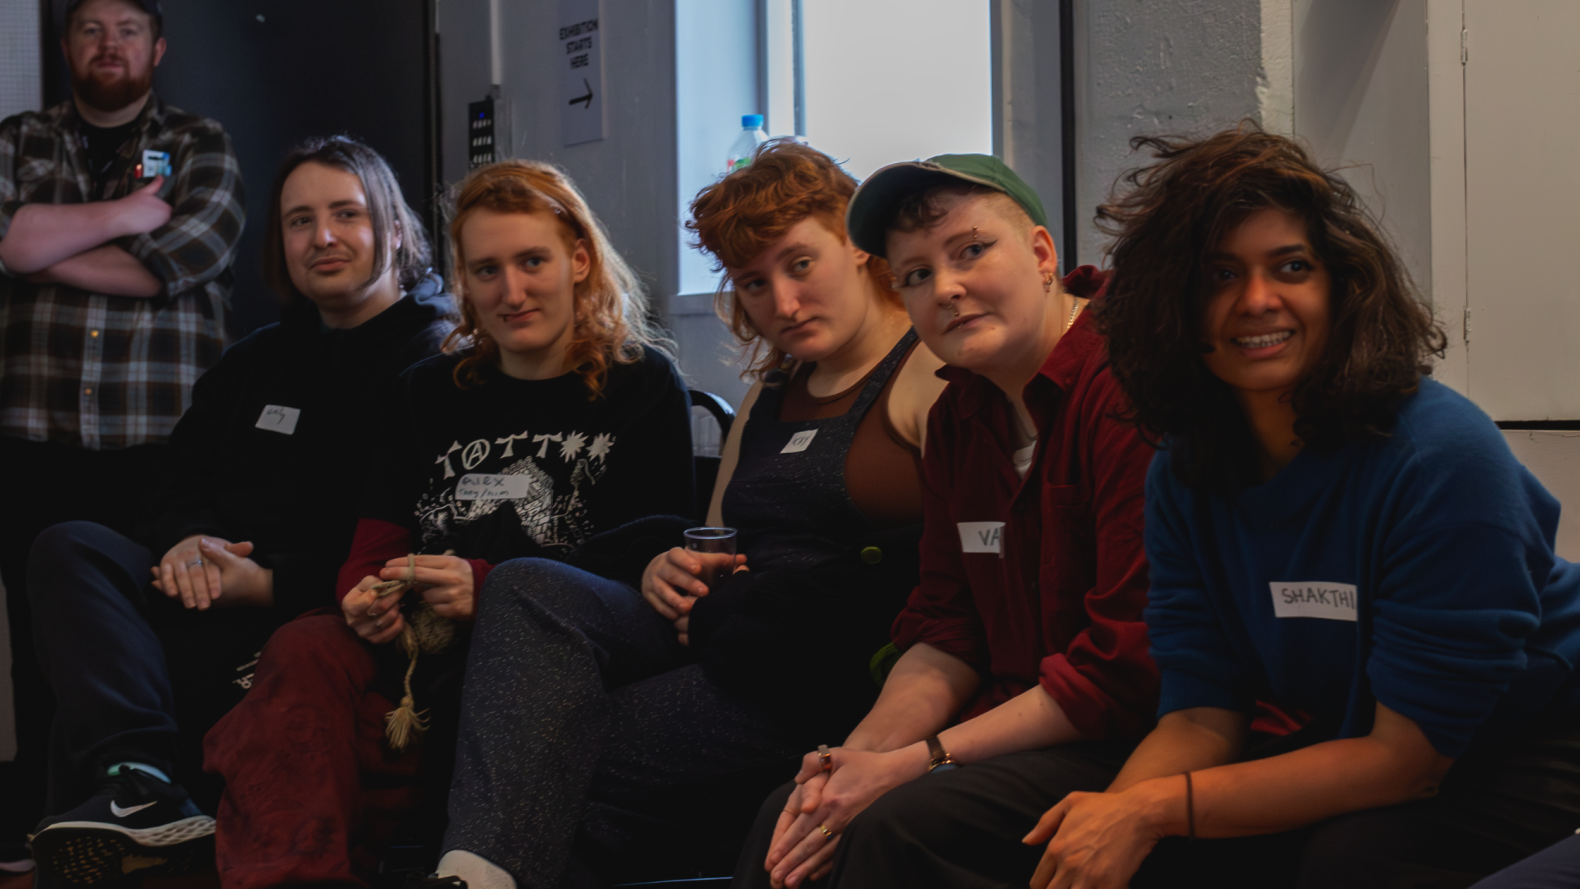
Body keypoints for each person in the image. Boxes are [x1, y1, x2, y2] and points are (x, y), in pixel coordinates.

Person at [1022, 128, 1580, 889]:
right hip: (1382, 739)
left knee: (1348, 859)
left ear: (1342, 287)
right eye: (1220, 274)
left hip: (1544, 733)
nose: (1257, 300)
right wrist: (1111, 822)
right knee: (1152, 848)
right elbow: (1200, 714)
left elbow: (1404, 762)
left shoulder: (1442, 456)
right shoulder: (1186, 469)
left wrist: (1149, 811)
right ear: (1172, 306)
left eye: (1291, 267)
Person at [422, 138, 949, 889]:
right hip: (728, 633)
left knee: (555, 751)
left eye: (801, 264)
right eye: (754, 283)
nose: (783, 303)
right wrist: (665, 565)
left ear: (857, 246)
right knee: (525, 584)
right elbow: (715, 538)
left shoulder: (929, 370)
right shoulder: (770, 393)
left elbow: (959, 581)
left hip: (818, 668)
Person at [203, 159, 696, 889]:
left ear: (579, 260)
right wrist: (364, 595)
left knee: (400, 717)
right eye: (487, 270)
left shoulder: (642, 382)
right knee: (302, 645)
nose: (511, 292)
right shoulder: (426, 390)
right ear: (462, 279)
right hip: (417, 631)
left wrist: (486, 586)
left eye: (533, 262)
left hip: (549, 640)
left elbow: (643, 561)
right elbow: (376, 537)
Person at [24, 135, 451, 889]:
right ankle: (141, 780)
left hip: (311, 606)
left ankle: (135, 798)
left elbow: (407, 534)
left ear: (392, 229)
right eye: (299, 221)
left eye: (346, 214)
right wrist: (186, 542)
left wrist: (265, 582)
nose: (321, 237)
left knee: (127, 677)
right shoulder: (253, 359)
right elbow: (173, 489)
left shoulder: (434, 360)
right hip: (204, 583)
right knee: (71, 547)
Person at [730, 153, 1159, 889]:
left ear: (1042, 254)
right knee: (793, 813)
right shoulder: (961, 414)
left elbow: (1120, 667)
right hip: (1020, 725)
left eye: (971, 251)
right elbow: (947, 625)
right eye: (917, 275)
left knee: (900, 825)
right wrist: (852, 763)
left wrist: (915, 761)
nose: (947, 289)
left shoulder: (1127, 388)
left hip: (1132, 737)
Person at [0, 0, 245, 851]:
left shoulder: (202, 142)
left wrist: (41, 248)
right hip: (33, 434)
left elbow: (185, 260)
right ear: (66, 43)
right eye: (91, 28)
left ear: (158, 47)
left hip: (163, 439)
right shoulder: (17, 140)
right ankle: (45, 815)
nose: (110, 44)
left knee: (163, 621)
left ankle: (157, 800)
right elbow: (3, 241)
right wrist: (129, 218)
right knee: (38, 635)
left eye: (128, 29)